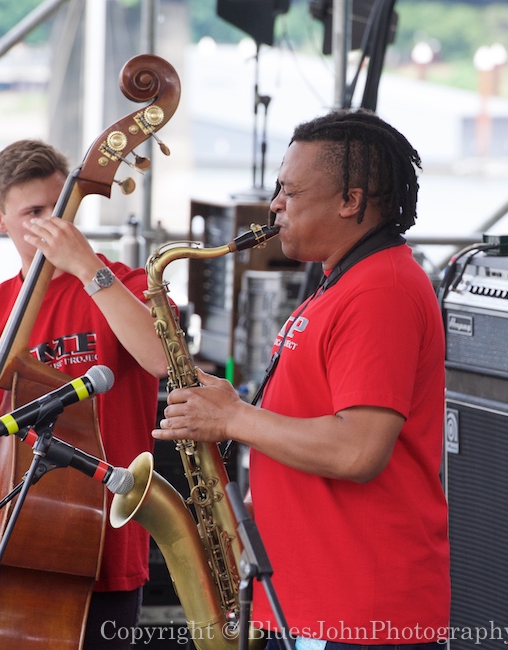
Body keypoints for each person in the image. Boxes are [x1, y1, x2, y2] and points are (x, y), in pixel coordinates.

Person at [154, 109, 450, 649]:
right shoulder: (343, 280)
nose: (274, 206)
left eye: (289, 191)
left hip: (358, 614)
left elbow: (358, 451)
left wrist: (234, 417)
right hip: (311, 604)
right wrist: (230, 404)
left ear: (350, 201)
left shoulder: (379, 291)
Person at [0, 139, 168, 649]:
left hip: (103, 550)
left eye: (61, 207)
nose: (54, 224)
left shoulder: (122, 285)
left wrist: (88, 269)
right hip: (2, 555)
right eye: (34, 213)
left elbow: (164, 359)